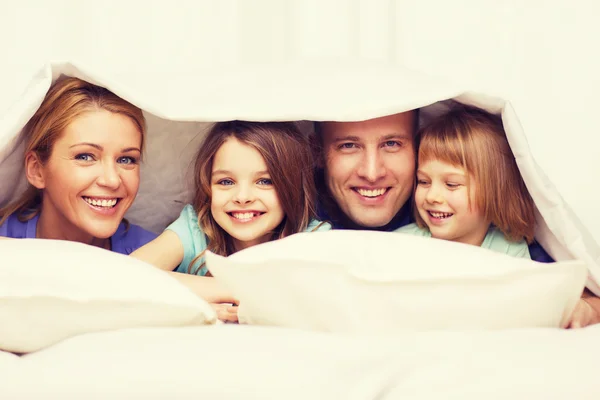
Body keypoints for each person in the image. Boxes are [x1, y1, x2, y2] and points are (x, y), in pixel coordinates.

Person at [312, 106, 600, 328]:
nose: (372, 172)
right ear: (317, 151)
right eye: (348, 145)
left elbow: (574, 290)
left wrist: (585, 306)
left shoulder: (513, 246)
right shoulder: (307, 219)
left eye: (391, 144)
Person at [131, 121, 330, 320]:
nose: (242, 197)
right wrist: (220, 291)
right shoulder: (196, 229)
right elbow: (127, 274)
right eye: (226, 182)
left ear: (292, 186)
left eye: (264, 181)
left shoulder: (313, 238)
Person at [0, 76, 157, 253]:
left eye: (126, 159)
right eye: (85, 157)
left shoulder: (156, 257)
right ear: (37, 170)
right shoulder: (6, 245)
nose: (112, 180)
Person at [396, 105, 534, 258]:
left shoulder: (510, 251)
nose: (431, 196)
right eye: (423, 182)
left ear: (494, 192)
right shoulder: (401, 243)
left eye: (451, 184)